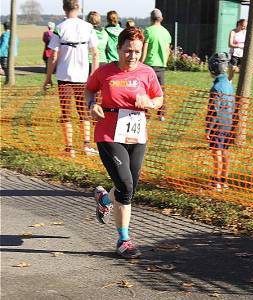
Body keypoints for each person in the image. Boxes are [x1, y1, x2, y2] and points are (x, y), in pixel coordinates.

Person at [85, 27, 163, 259]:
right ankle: (124, 240)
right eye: (128, 51)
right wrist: (92, 105)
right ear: (118, 49)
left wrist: (149, 102)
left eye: (137, 52)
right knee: (126, 187)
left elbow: (159, 98)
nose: (132, 56)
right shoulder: (105, 71)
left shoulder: (147, 73)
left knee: (126, 188)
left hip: (137, 136)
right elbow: (89, 89)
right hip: (109, 134)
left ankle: (104, 199)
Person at [43, 0, 98, 158]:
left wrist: (48, 78)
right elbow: (95, 53)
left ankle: (70, 148)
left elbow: (53, 55)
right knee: (84, 112)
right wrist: (93, 75)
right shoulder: (88, 27)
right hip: (82, 77)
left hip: (64, 77)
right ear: (78, 7)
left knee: (66, 113)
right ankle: (87, 146)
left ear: (64, 8)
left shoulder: (59, 28)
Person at [205, 52, 235, 191]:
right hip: (228, 123)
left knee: (216, 151)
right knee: (225, 151)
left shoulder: (215, 88)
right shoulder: (229, 85)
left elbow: (213, 111)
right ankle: (224, 180)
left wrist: (208, 129)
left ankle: (216, 181)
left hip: (218, 125)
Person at [141, 8, 171, 121]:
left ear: (151, 18)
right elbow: (168, 50)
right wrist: (165, 61)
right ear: (161, 18)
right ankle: (161, 114)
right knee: (161, 90)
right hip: (161, 65)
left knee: (145, 89)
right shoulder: (166, 32)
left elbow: (145, 48)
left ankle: (146, 112)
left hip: (149, 64)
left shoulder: (148, 31)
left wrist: (141, 62)